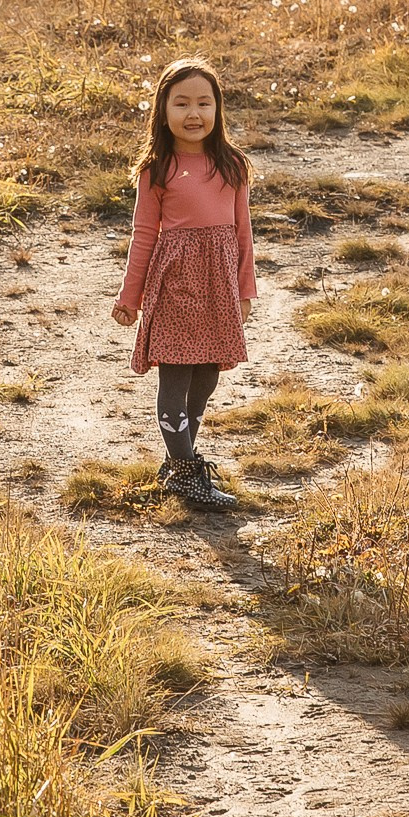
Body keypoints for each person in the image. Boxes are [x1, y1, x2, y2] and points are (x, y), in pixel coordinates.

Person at [111, 55, 255, 504]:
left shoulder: (231, 165)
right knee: (175, 377)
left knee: (207, 374)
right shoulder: (156, 169)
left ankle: (179, 459)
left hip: (218, 287)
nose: (194, 114)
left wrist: (246, 289)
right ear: (163, 110)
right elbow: (143, 234)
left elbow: (243, 231)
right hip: (175, 287)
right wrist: (130, 295)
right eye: (181, 104)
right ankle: (188, 476)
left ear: (217, 109)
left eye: (204, 103)